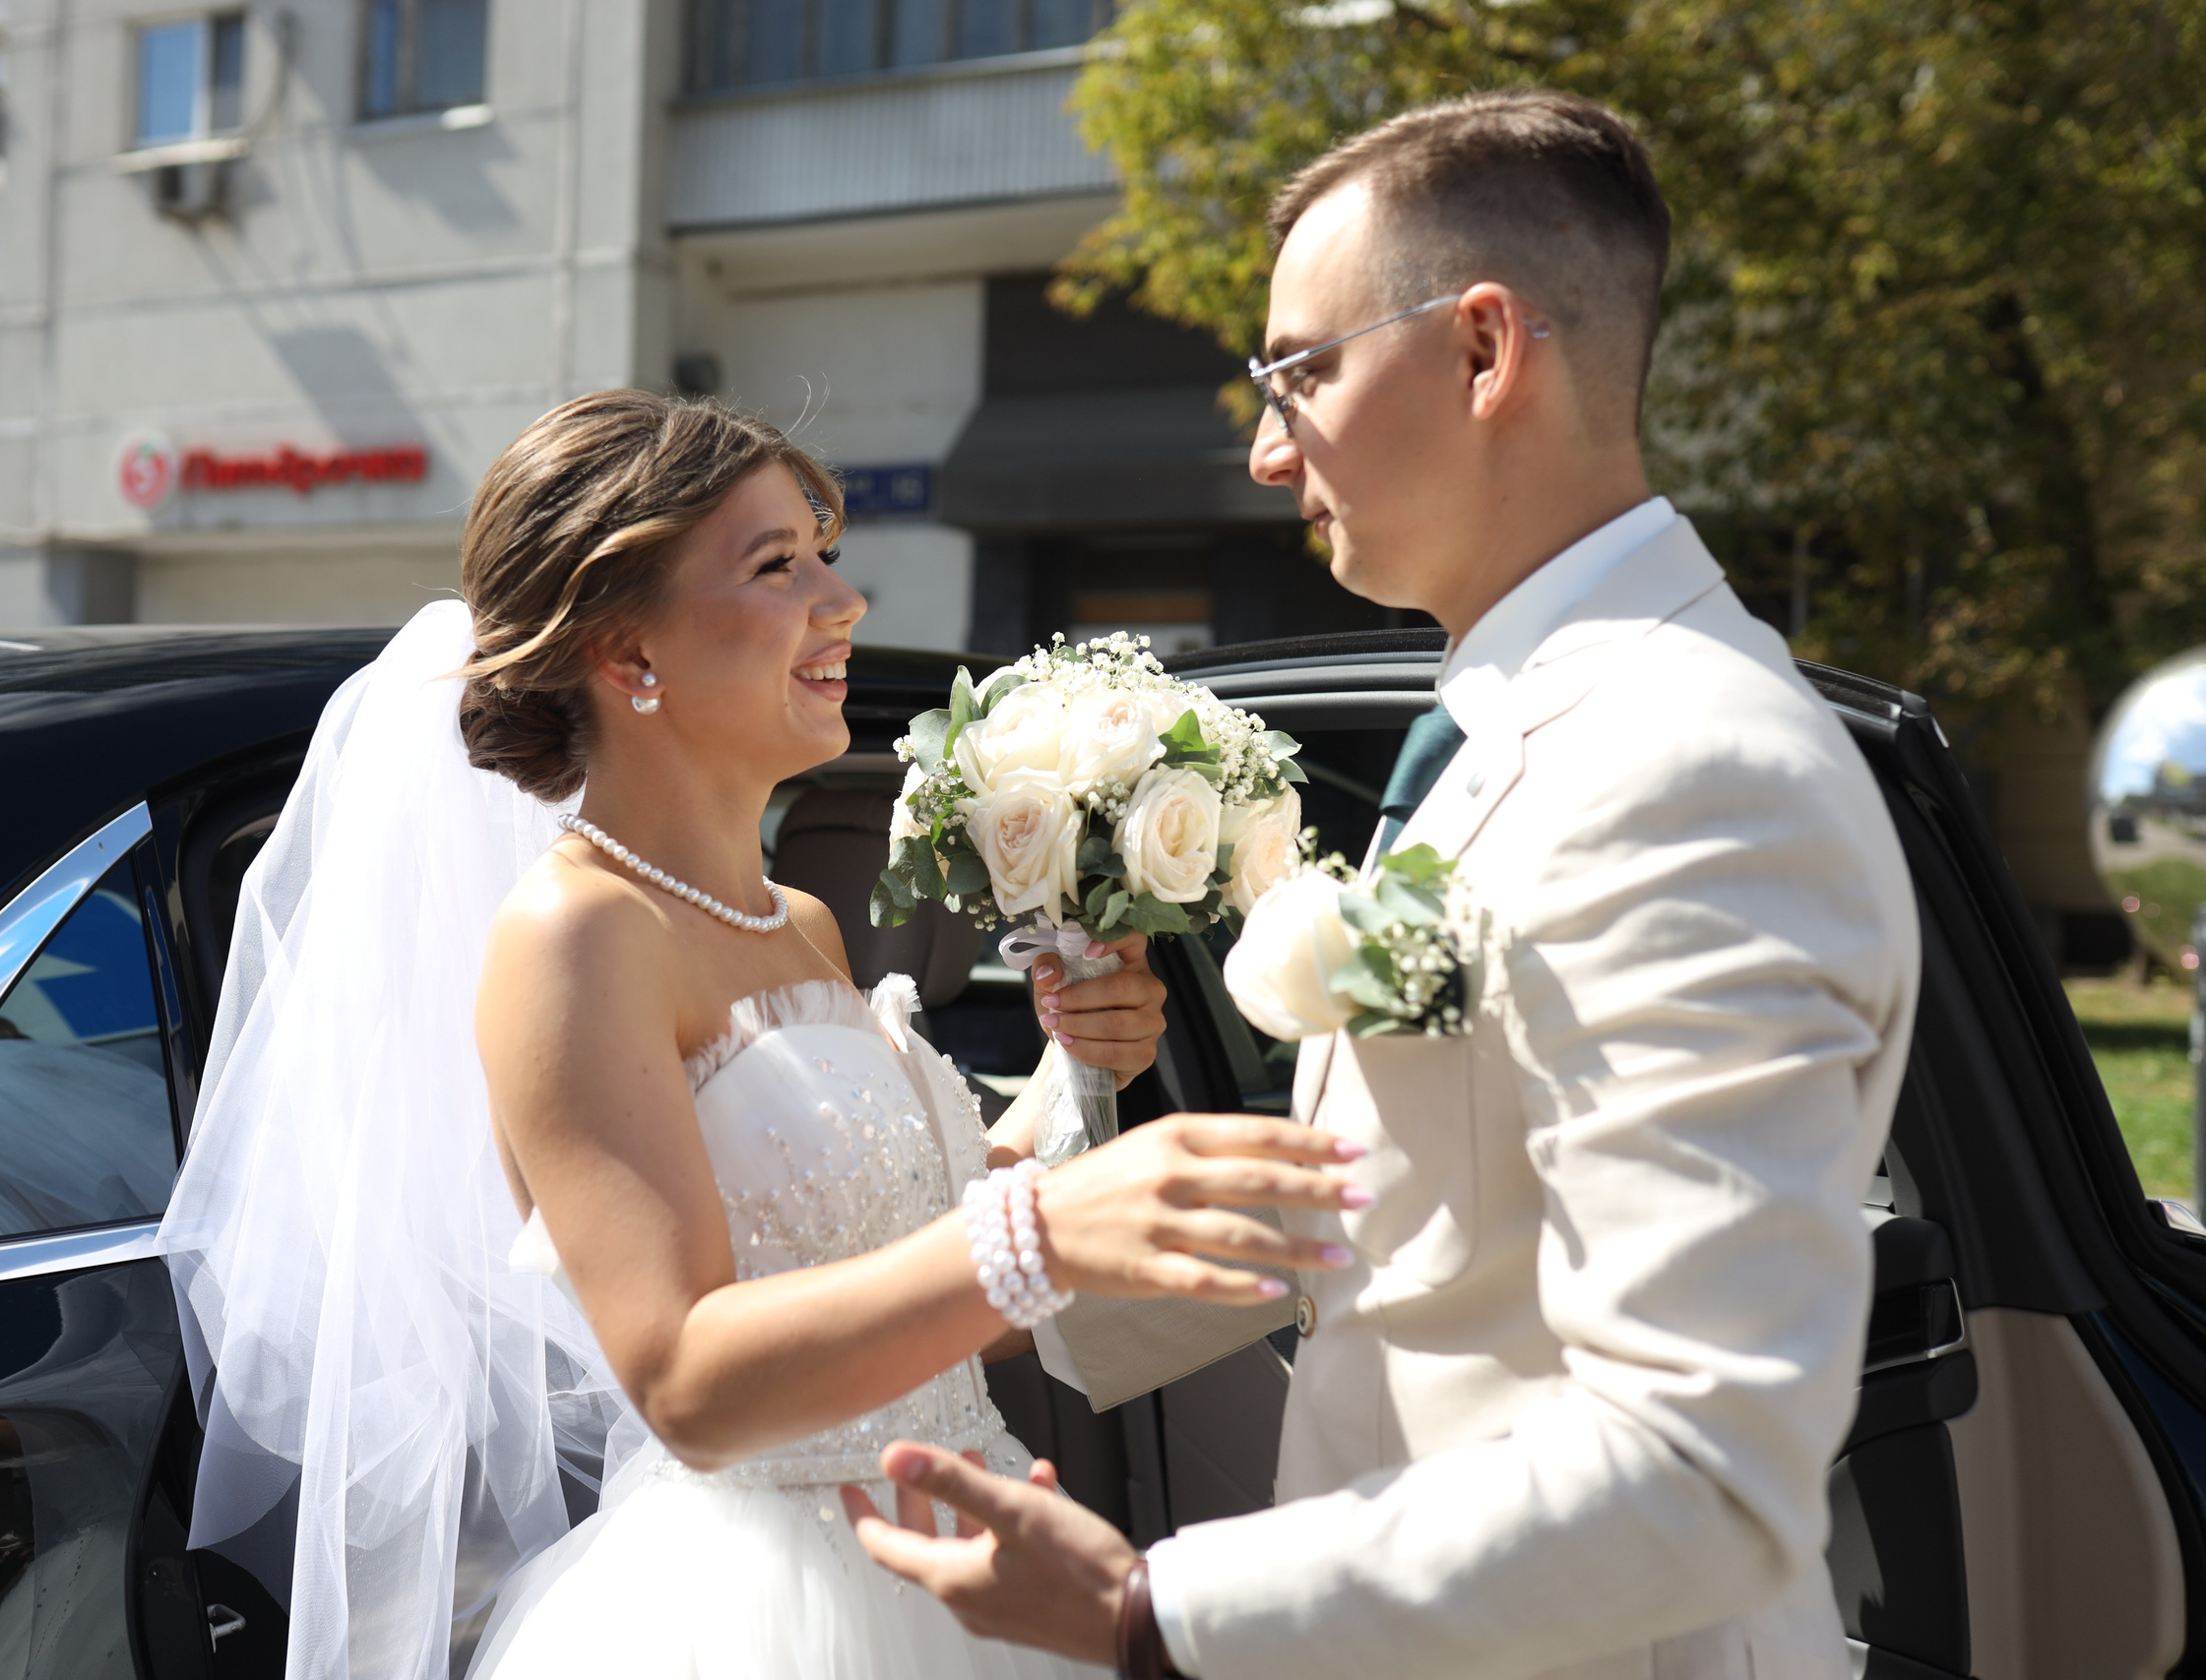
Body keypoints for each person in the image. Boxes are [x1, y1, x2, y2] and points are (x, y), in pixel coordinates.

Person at [849, 89, 1923, 1680]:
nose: (1270, 448)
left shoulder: (1689, 766)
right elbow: (1450, 1217)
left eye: (1298, 373)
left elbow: (1704, 1468)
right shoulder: (1520, 726)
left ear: (1486, 351)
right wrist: (1063, 1249)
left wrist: (1155, 1613)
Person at [158, 388, 1364, 1680]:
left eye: (825, 555)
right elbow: (686, 1380)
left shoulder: (798, 923)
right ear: (629, 657)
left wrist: (1076, 1074)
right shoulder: (576, 939)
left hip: (968, 1556)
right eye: (777, 565)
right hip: (767, 1612)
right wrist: (1044, 1230)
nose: (841, 601)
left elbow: (916, 1266)